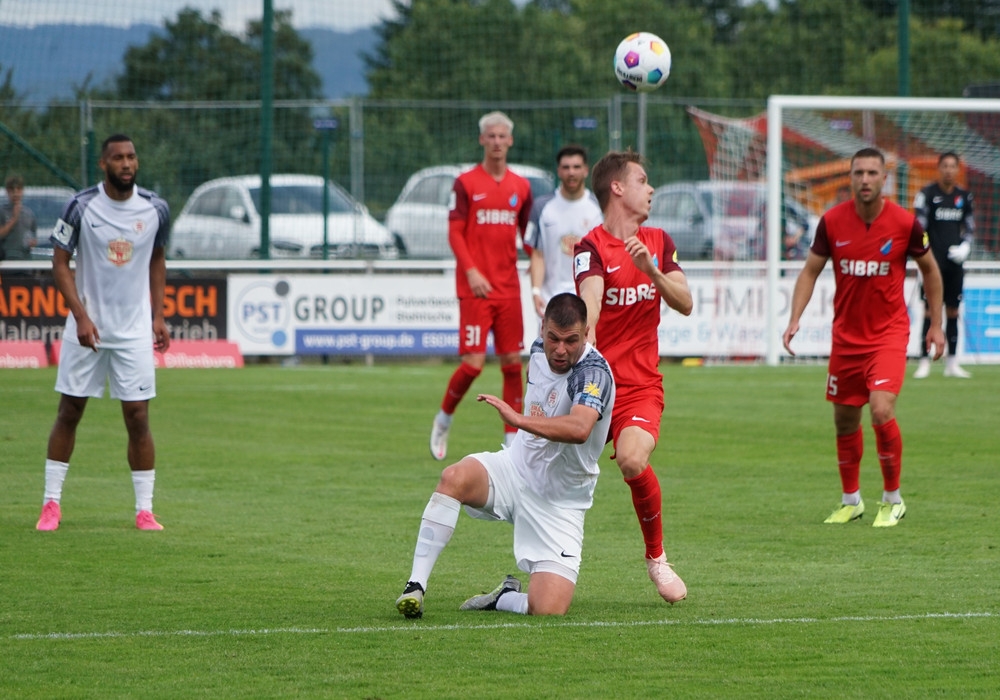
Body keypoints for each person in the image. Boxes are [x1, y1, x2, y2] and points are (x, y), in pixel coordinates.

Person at [397, 293, 615, 618]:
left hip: (560, 503)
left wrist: (518, 420)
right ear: (542, 328)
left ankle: (504, 597)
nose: (560, 349)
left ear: (586, 334)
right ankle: (415, 585)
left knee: (548, 610)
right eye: (553, 338)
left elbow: (581, 428)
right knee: (453, 478)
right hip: (514, 470)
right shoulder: (538, 350)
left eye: (571, 341)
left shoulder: (592, 374)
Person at [782, 147, 944, 528]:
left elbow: (931, 271)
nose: (865, 180)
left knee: (881, 408)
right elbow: (809, 271)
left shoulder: (905, 224)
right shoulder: (832, 222)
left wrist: (936, 325)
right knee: (843, 420)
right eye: (859, 173)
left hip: (888, 335)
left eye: (872, 173)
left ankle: (892, 499)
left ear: (884, 178)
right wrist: (794, 318)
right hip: (846, 339)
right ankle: (851, 500)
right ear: (851, 177)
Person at [572, 150, 693, 604]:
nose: (651, 189)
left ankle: (657, 558)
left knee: (632, 458)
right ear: (618, 188)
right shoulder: (590, 247)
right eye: (643, 180)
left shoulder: (659, 241)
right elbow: (591, 300)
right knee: (545, 475)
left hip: (640, 387)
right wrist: (589, 335)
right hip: (593, 385)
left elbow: (685, 303)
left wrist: (652, 272)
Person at [35, 134, 172, 532]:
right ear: (103, 164)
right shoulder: (80, 206)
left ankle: (145, 510)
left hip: (134, 331)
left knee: (138, 417)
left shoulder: (156, 208)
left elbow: (157, 259)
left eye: (131, 157)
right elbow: (60, 263)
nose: (126, 164)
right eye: (118, 158)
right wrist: (80, 316)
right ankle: (51, 504)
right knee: (70, 410)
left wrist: (159, 315)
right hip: (87, 329)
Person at [429, 111, 534, 460]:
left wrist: (545, 259)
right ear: (482, 140)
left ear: (510, 141)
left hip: (508, 288)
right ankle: (444, 418)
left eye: (502, 136)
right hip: (476, 289)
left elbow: (528, 235)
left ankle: (512, 443)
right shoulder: (465, 183)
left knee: (512, 364)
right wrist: (472, 271)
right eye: (491, 136)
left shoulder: (521, 187)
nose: (497, 142)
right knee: (473, 364)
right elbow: (454, 232)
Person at [912, 152, 976, 379]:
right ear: (938, 168)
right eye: (945, 166)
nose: (949, 170)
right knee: (930, 311)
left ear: (958, 169)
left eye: (952, 166)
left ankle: (952, 362)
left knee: (953, 311)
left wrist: (965, 246)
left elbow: (969, 226)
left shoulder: (964, 197)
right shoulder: (927, 194)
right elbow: (919, 227)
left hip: (955, 262)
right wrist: (924, 253)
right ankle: (924, 361)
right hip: (932, 264)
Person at [525, 144, 603, 317]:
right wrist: (536, 291)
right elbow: (538, 255)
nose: (571, 172)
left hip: (586, 300)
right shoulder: (542, 207)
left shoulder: (599, 207)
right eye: (566, 167)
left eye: (576, 167)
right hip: (550, 300)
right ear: (558, 171)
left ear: (585, 170)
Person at [0, 174, 38, 262]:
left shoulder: (29, 214)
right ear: (7, 191)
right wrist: (14, 219)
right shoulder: (2, 212)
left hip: (25, 260)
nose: (15, 193)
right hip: (5, 260)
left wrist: (32, 242)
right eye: (12, 190)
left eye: (18, 189)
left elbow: (33, 236)